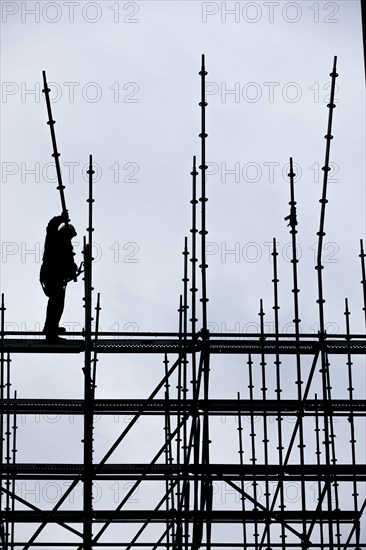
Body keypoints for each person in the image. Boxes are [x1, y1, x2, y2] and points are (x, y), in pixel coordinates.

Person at [40, 212, 78, 341]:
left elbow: (69, 265)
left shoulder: (68, 247)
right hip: (50, 275)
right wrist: (61, 218)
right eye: (69, 235)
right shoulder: (54, 238)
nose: (70, 238)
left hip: (58, 279)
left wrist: (73, 270)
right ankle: (51, 334)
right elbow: (51, 226)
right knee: (55, 303)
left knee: (58, 304)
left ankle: (51, 327)